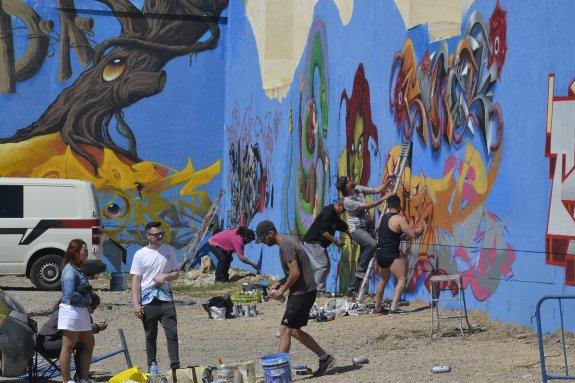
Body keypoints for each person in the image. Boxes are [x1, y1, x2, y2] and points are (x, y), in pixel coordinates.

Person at [256, 220, 335, 376]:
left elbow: (295, 273)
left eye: (264, 239)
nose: (264, 243)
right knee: (292, 330)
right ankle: (325, 357)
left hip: (302, 293)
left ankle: (279, 372)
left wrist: (282, 291)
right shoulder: (286, 243)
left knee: (285, 329)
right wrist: (279, 284)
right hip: (304, 291)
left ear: (270, 234)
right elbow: (290, 274)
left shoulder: (285, 246)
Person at [130, 221, 180, 374]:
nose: (160, 236)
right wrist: (136, 304)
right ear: (148, 236)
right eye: (157, 234)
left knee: (172, 333)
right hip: (147, 301)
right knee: (151, 335)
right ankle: (152, 365)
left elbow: (176, 274)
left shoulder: (169, 250)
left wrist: (165, 276)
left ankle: (175, 366)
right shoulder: (140, 254)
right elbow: (136, 280)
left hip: (166, 299)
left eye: (162, 234)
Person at [336, 176, 393, 296]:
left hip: (367, 227)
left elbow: (375, 190)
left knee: (364, 255)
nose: (351, 179)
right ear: (346, 185)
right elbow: (368, 206)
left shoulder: (358, 189)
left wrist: (386, 183)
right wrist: (385, 198)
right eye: (348, 179)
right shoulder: (347, 201)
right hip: (356, 229)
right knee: (372, 245)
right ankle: (359, 276)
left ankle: (353, 289)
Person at [374, 194, 423, 313]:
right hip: (391, 253)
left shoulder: (382, 218)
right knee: (402, 278)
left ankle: (377, 306)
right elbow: (412, 234)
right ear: (399, 205)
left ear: (388, 205)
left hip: (379, 252)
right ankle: (394, 306)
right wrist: (419, 231)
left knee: (384, 279)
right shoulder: (399, 219)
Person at [58, 239, 95, 383]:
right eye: (84, 251)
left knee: (89, 344)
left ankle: (83, 378)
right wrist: (88, 300)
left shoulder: (78, 269)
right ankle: (66, 381)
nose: (86, 254)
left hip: (80, 311)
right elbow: (69, 294)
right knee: (68, 346)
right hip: (71, 310)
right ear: (76, 252)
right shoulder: (69, 270)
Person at [37, 293, 107, 367]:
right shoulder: (73, 312)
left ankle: (82, 372)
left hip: (41, 345)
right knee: (84, 341)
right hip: (49, 346)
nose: (92, 312)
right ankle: (81, 374)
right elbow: (82, 333)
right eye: (93, 308)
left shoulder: (67, 308)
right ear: (87, 304)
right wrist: (97, 327)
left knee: (79, 339)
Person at [302, 199, 350, 296]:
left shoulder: (334, 215)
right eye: (344, 210)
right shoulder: (327, 214)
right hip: (313, 242)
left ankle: (317, 290)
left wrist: (352, 236)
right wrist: (336, 241)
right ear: (339, 206)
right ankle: (317, 291)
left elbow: (343, 226)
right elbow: (324, 232)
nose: (344, 212)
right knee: (323, 265)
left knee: (325, 266)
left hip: (318, 244)